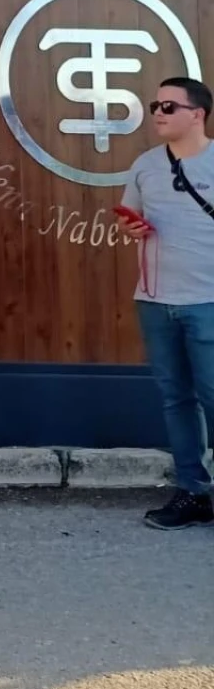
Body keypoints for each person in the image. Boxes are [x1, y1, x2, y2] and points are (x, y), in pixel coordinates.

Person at [120, 76, 214, 530]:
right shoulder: (144, 165)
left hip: (208, 300)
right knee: (176, 400)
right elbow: (131, 218)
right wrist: (133, 229)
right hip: (155, 301)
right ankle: (193, 493)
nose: (158, 112)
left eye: (169, 106)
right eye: (156, 104)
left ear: (197, 114)